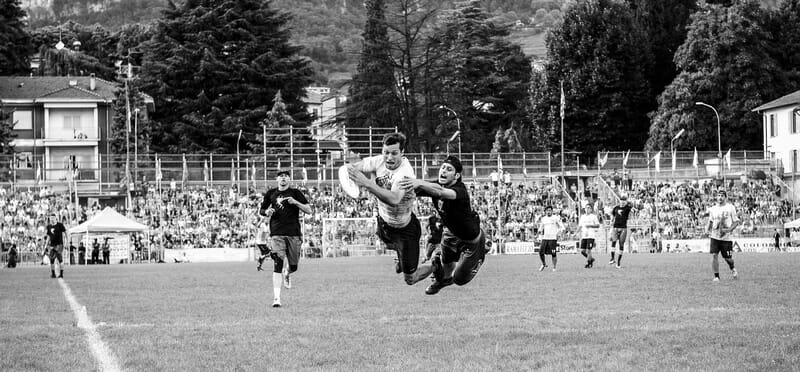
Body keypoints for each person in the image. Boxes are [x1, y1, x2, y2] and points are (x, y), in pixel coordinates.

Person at [347, 132, 435, 287]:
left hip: (405, 229)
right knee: (387, 244)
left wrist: (367, 183)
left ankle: (437, 265)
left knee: (410, 279)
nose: (389, 158)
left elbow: (394, 199)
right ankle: (400, 254)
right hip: (384, 221)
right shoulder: (379, 160)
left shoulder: (405, 173)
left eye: (394, 153)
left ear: (402, 153)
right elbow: (354, 167)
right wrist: (349, 172)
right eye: (386, 152)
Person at [400, 156, 489, 295]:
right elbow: (414, 190)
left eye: (449, 169)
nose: (444, 171)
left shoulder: (460, 190)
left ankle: (482, 250)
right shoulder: (435, 185)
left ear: (456, 175)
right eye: (443, 168)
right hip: (450, 233)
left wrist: (418, 182)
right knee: (446, 263)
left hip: (470, 240)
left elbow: (440, 192)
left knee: (459, 279)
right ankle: (443, 280)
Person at [259, 168, 312, 308]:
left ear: (289, 179)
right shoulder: (271, 193)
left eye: (286, 176)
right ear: (277, 179)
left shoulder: (296, 193)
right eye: (281, 176)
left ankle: (288, 273)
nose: (283, 178)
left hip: (294, 233)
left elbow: (309, 210)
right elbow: (262, 210)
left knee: (294, 266)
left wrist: (296, 203)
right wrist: (267, 211)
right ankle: (276, 298)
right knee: (277, 263)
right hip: (276, 233)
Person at [705, 189, 739, 282]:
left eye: (722, 196)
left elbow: (736, 222)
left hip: (726, 238)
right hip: (715, 236)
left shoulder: (730, 207)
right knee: (714, 255)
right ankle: (716, 276)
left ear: (725, 197)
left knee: (728, 259)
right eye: (718, 196)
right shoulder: (713, 209)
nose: (720, 197)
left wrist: (728, 230)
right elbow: (711, 221)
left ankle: (732, 268)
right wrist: (707, 229)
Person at [609, 194, 634, 268]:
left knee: (621, 244)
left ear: (626, 202)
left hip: (623, 228)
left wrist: (628, 203)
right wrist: (612, 220)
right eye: (621, 200)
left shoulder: (627, 208)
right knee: (613, 242)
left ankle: (619, 261)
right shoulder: (616, 208)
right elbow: (613, 215)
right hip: (615, 227)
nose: (622, 202)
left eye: (624, 201)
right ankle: (612, 258)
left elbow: (632, 207)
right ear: (619, 201)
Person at [537, 205, 564, 272]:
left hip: (553, 238)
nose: (548, 212)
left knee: (553, 253)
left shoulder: (556, 218)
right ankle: (543, 264)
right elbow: (541, 228)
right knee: (540, 252)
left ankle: (554, 267)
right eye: (547, 210)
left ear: (552, 211)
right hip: (545, 238)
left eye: (550, 210)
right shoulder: (543, 219)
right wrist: (538, 234)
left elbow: (562, 227)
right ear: (545, 211)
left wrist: (559, 233)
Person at [578, 204, 601, 268]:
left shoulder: (593, 216)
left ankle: (589, 263)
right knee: (582, 251)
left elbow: (598, 225)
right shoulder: (582, 217)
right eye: (586, 208)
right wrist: (575, 233)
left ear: (591, 209)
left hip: (591, 235)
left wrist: (590, 226)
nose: (587, 209)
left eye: (589, 208)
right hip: (584, 236)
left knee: (589, 250)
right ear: (584, 209)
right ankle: (591, 259)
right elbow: (580, 226)